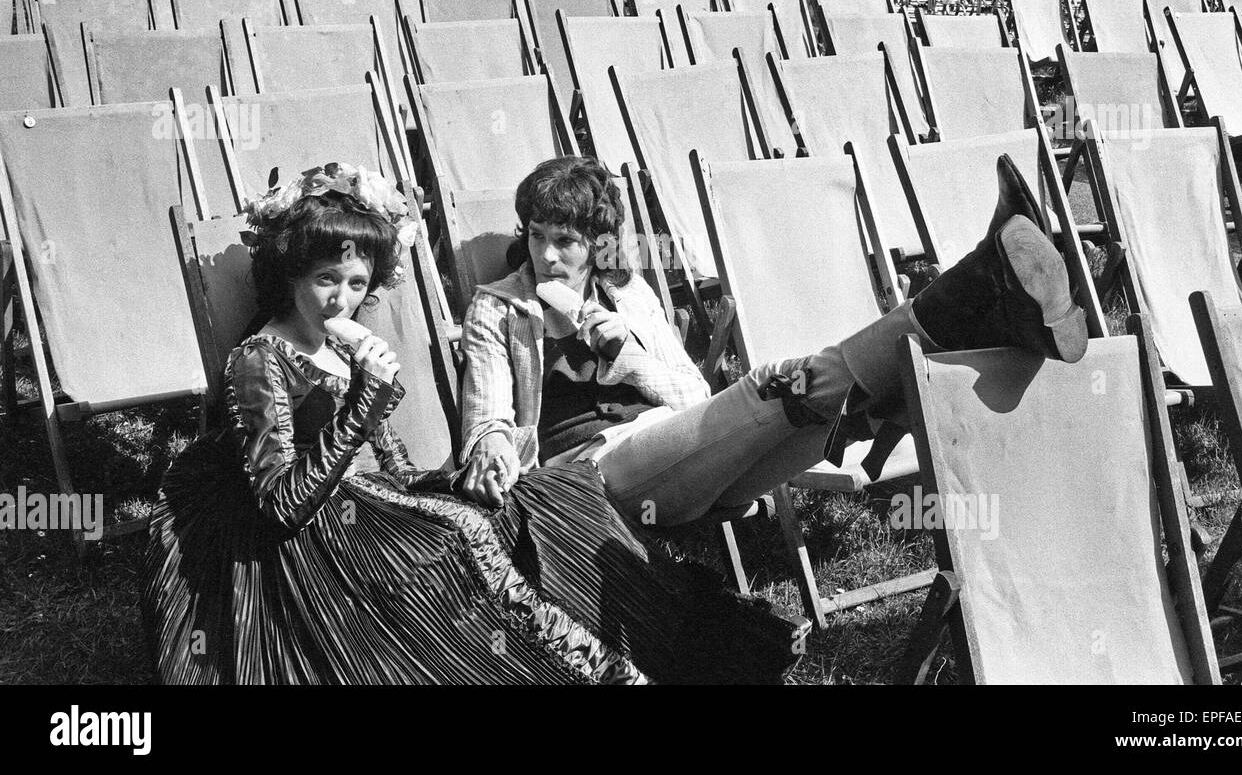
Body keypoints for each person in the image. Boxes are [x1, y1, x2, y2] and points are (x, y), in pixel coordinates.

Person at [141, 164, 799, 684]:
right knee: (458, 554)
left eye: (356, 282)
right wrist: (368, 405)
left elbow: (391, 464)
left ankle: (659, 642)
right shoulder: (258, 359)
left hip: (369, 501)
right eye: (324, 280)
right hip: (301, 542)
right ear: (288, 275)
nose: (342, 299)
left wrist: (445, 480)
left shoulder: (341, 345)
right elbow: (282, 504)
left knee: (554, 498)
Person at [458, 155, 1088, 528]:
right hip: (582, 478)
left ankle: (987, 308)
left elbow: (691, 395)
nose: (546, 255)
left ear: (595, 243)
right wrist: (493, 460)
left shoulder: (630, 296)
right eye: (537, 235)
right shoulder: (496, 308)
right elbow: (485, 426)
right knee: (779, 387)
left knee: (833, 408)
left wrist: (627, 356)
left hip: (688, 464)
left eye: (564, 241)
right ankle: (977, 295)